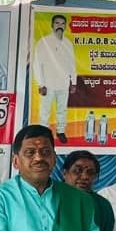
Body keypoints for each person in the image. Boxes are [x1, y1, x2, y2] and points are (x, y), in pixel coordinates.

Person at [32, 15, 76, 143]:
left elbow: (72, 64)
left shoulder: (68, 44)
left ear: (65, 26)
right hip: (48, 84)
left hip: (63, 83)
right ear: (52, 26)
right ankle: (43, 133)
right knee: (45, 110)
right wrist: (41, 84)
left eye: (62, 23)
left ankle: (60, 131)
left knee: (62, 110)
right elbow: (37, 64)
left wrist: (73, 82)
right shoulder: (43, 42)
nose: (59, 26)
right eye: (57, 23)